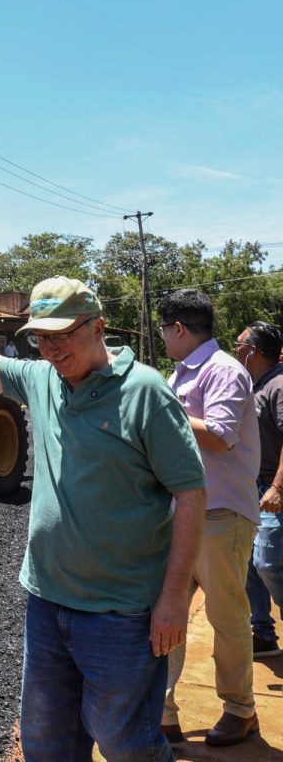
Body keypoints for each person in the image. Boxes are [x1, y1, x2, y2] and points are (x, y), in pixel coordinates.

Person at [0, 276, 204, 762]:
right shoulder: (41, 380)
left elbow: (190, 492)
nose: (51, 348)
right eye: (42, 337)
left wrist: (172, 598)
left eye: (63, 334)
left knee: (125, 741)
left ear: (99, 326)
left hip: (120, 612)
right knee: (47, 742)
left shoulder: (145, 392)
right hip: (46, 601)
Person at [157, 289, 260, 747]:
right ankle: (162, 712)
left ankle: (240, 709)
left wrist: (162, 411)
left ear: (179, 328)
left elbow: (219, 435)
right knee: (168, 610)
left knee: (226, 615)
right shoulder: (183, 373)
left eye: (163, 330)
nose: (162, 339)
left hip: (221, 513)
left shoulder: (224, 372)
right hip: (184, 514)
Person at [234, 321, 283, 658]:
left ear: (252, 350)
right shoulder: (256, 384)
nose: (234, 350)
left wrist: (277, 487)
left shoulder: (279, 384)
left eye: (238, 345)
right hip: (252, 487)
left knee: (268, 562)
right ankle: (262, 634)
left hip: (272, 489)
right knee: (250, 562)